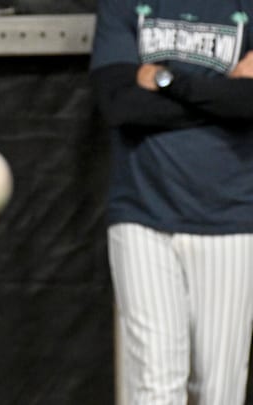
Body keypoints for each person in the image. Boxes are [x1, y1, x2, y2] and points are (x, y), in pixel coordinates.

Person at [90, 1, 253, 404]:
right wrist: (221, 97)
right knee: (154, 385)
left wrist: (165, 79)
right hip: (143, 214)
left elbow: (248, 103)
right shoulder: (124, 5)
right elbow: (120, 104)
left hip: (230, 218)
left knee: (219, 392)